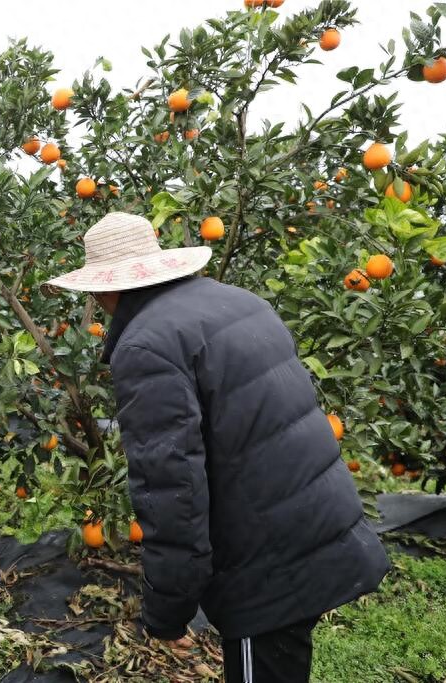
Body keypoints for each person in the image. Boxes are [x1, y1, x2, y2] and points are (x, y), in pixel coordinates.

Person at [45, 212, 389, 683]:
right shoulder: (237, 302)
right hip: (314, 522)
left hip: (266, 565)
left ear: (104, 288)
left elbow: (171, 491)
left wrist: (167, 613)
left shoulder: (147, 345)